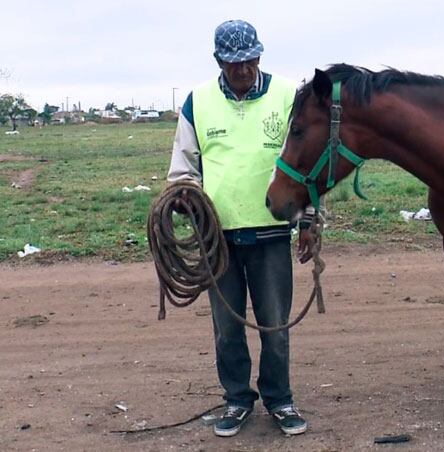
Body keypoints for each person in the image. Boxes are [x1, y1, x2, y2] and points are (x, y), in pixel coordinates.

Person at [167, 19, 313, 438]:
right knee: (227, 328)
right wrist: (183, 195)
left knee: (274, 324)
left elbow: (306, 165)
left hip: (270, 233)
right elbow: (184, 169)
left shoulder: (288, 97)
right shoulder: (198, 102)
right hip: (220, 240)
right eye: (235, 63)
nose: (244, 70)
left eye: (250, 60)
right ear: (218, 61)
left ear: (259, 56)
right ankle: (236, 400)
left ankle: (279, 399)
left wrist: (308, 219)